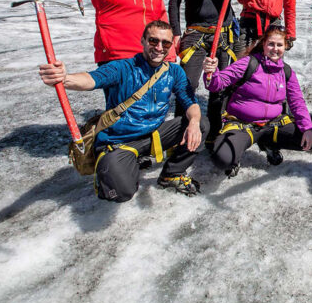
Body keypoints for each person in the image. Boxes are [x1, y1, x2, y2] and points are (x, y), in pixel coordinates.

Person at [38, 20, 210, 201]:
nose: (159, 47)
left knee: (202, 124)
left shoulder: (174, 71)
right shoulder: (123, 68)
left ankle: (171, 174)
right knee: (121, 192)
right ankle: (111, 172)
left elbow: (190, 102)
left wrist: (193, 122)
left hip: (152, 136)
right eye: (153, 41)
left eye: (165, 43)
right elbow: (91, 79)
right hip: (119, 141)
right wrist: (64, 78)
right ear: (143, 41)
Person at [168, 0, 254, 133]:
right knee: (187, 84)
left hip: (223, 35)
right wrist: (176, 33)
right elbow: (173, 2)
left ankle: (214, 131)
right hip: (195, 34)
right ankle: (181, 132)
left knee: (221, 84)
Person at [203, 24, 312, 177]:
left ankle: (268, 143)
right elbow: (217, 84)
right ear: (263, 44)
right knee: (223, 159)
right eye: (271, 44)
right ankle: (236, 154)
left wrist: (307, 128)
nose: (275, 48)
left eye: (279, 45)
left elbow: (297, 102)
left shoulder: (286, 71)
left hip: (272, 125)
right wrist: (211, 72)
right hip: (243, 125)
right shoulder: (248, 63)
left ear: (285, 47)